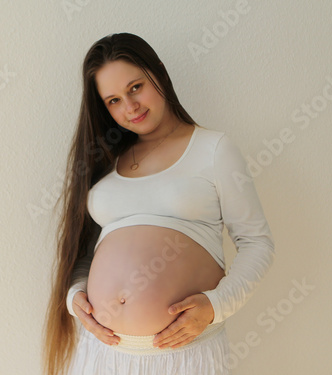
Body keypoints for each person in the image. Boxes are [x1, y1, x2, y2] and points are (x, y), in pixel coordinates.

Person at [42, 32, 275, 375]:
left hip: (183, 355)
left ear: (160, 73)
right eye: (114, 100)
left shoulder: (213, 150)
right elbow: (87, 253)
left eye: (135, 87)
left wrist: (215, 306)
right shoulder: (104, 161)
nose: (130, 107)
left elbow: (257, 243)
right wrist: (75, 296)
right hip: (100, 354)